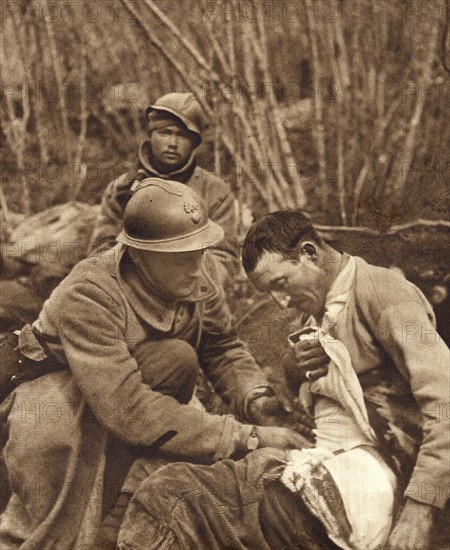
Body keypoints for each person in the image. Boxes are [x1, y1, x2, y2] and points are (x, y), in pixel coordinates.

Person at [116, 210, 450, 550]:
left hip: (373, 474)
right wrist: (295, 369)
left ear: (309, 253)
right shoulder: (315, 309)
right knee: (153, 474)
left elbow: (445, 400)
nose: (281, 301)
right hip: (326, 455)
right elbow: (317, 395)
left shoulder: (383, 293)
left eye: (281, 284)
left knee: (172, 495)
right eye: (270, 292)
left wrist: (421, 508)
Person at [0, 186, 310, 549]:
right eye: (182, 258)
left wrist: (257, 399)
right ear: (139, 254)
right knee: (56, 443)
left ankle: (125, 485)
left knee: (178, 357)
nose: (198, 269)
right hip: (52, 388)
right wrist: (245, 436)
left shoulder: (197, 271)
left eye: (199, 253)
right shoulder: (88, 291)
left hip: (125, 383)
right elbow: (126, 407)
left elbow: (221, 346)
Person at [88, 92, 239, 287]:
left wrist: (182, 280)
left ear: (194, 143)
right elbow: (100, 252)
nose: (172, 144)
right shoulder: (122, 189)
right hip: (131, 292)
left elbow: (224, 259)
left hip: (193, 295)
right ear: (150, 135)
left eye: (182, 135)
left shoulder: (215, 192)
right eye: (165, 132)